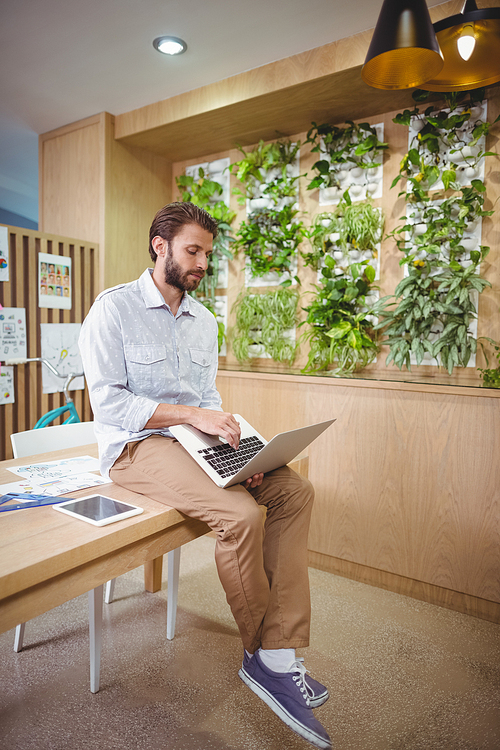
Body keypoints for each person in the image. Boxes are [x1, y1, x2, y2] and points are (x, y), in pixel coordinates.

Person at [79, 202, 331, 750]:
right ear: (159, 245)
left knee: (294, 491)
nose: (201, 264)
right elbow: (109, 405)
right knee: (239, 516)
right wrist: (194, 417)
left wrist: (239, 447)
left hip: (199, 444)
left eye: (207, 255)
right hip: (136, 448)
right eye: (193, 251)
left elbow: (209, 398)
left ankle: (279, 652)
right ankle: (264, 655)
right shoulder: (113, 310)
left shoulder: (204, 321)